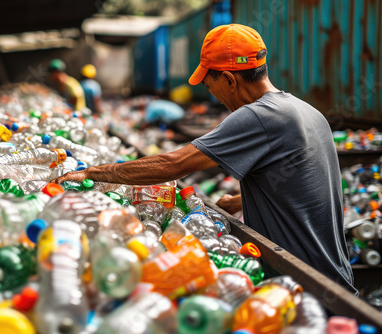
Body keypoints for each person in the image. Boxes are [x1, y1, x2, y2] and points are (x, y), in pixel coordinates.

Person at [53, 24, 356, 294]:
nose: (214, 97)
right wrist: (242, 201)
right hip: (336, 277)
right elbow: (305, 181)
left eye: (211, 86)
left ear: (229, 79)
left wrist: (94, 173)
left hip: (303, 286)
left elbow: (173, 165)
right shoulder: (306, 111)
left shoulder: (258, 117)